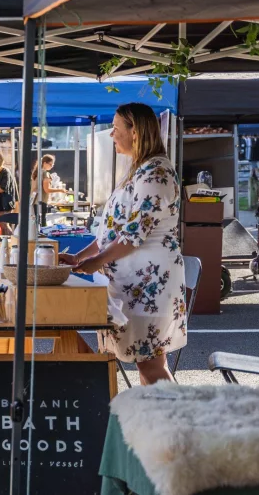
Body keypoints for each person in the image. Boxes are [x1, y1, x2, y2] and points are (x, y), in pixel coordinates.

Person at [60, 102, 185, 385]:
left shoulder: (156, 173)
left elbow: (132, 235)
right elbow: (113, 232)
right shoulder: (141, 169)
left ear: (136, 132)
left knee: (150, 366)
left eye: (116, 129)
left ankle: (175, 425)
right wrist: (80, 258)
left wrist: (94, 263)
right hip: (135, 281)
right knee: (148, 364)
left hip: (148, 281)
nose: (111, 134)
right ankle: (157, 424)